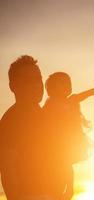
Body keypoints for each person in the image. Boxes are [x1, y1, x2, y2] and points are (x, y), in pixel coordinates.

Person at [43, 72, 94, 200]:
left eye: (68, 83)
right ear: (52, 88)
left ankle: (69, 190)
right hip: (54, 142)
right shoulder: (50, 104)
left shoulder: (72, 99)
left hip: (69, 140)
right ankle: (60, 190)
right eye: (63, 83)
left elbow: (89, 93)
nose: (68, 85)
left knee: (66, 163)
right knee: (60, 165)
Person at [0, 55, 51, 200]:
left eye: (38, 79)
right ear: (13, 86)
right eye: (28, 81)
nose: (36, 85)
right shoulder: (11, 120)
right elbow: (7, 170)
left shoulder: (42, 115)